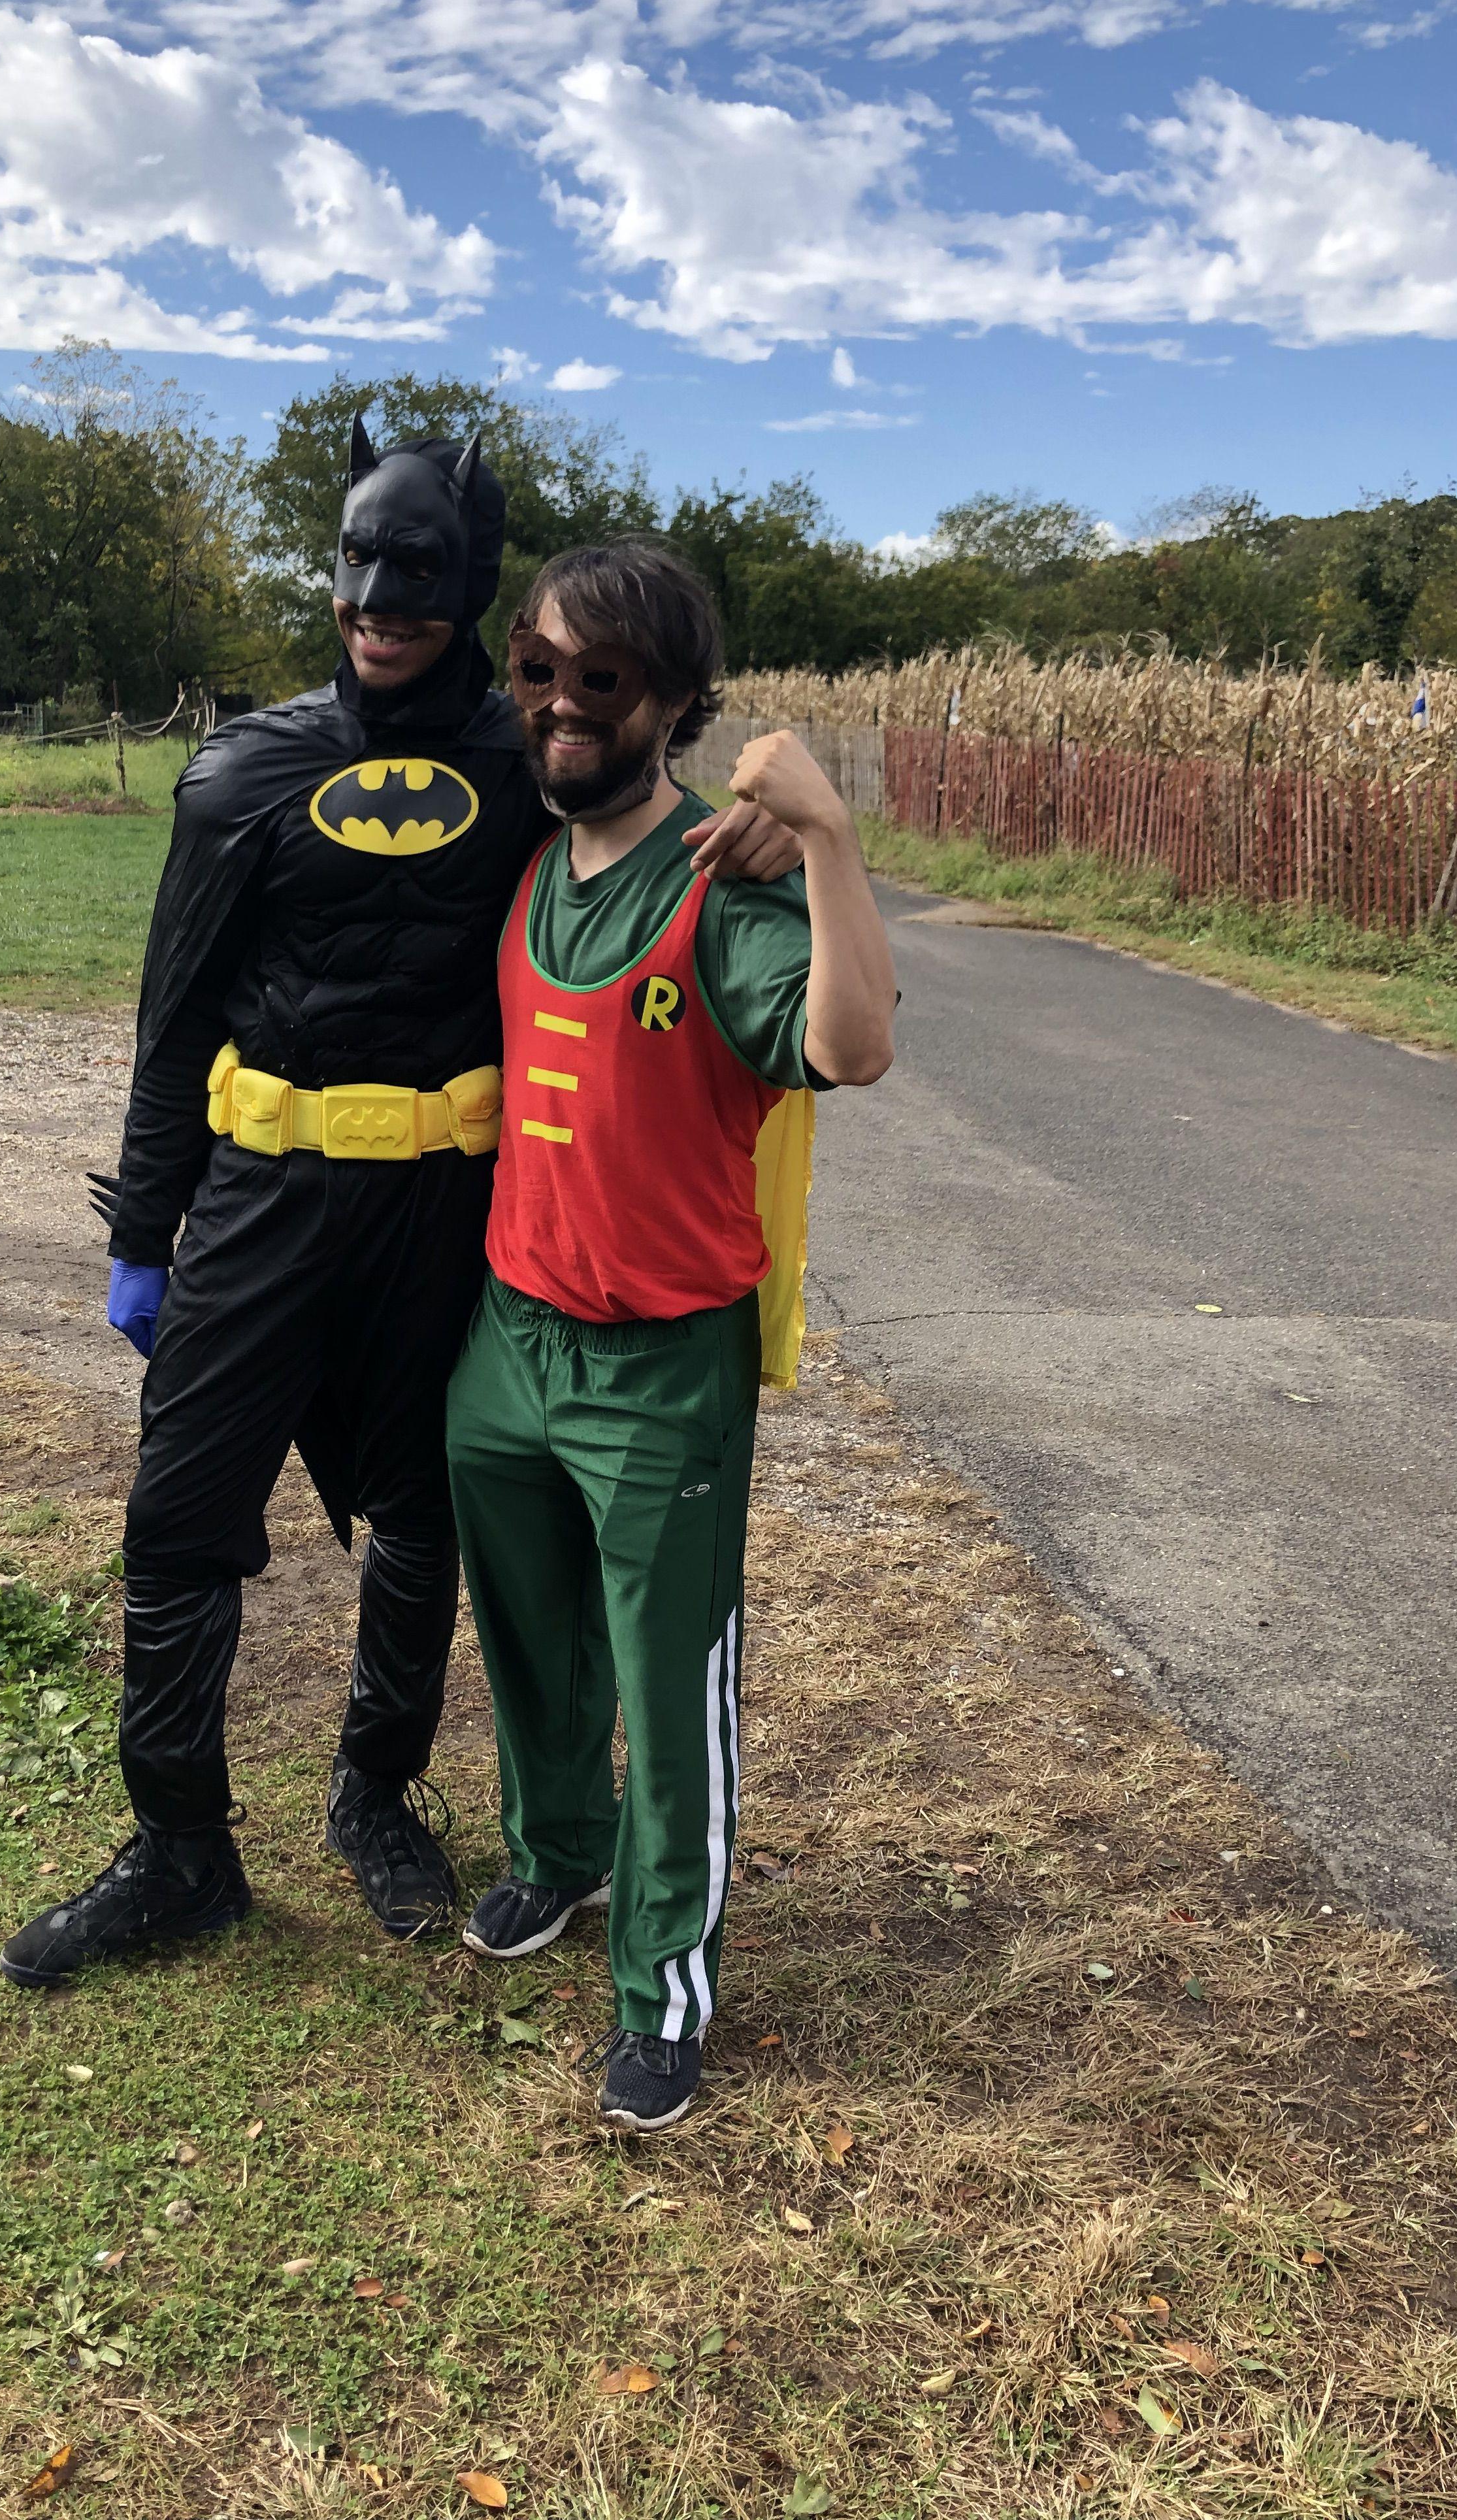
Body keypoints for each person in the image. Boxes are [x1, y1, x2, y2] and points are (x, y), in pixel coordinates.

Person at [1, 428, 802, 1988]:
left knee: (423, 1521)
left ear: (476, 584)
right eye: (360, 561)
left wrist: (776, 827)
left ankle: (379, 1793)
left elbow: (667, 823)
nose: (382, 599)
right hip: (259, 1200)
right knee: (176, 1525)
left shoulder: (534, 761)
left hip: (445, 1209)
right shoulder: (245, 768)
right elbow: (175, 1016)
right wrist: (141, 1230)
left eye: (420, 569)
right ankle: (178, 1850)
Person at [446, 537, 896, 2132]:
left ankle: (664, 1988)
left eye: (604, 680)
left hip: (656, 1364)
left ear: (678, 702)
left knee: (666, 1672)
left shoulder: (728, 880)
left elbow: (852, 1046)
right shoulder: (529, 842)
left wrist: (832, 840)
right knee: (528, 1641)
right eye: (540, 672)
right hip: (511, 1337)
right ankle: (555, 1860)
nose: (564, 707)